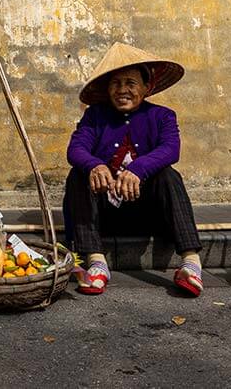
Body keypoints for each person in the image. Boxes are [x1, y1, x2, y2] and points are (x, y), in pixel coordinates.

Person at [63, 42, 203, 296]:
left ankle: (191, 264)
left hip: (147, 213)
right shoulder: (95, 116)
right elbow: (76, 149)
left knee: (168, 175)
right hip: (103, 216)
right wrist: (95, 164)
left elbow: (171, 149)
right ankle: (96, 262)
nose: (122, 90)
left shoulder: (162, 116)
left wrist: (138, 169)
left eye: (130, 83)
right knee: (78, 175)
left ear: (147, 87)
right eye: (115, 83)